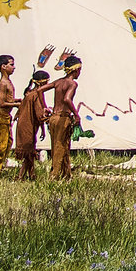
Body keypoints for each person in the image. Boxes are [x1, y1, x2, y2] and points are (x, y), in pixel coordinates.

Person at [44, 52, 84, 181]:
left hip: (53, 117)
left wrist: (44, 106)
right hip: (63, 117)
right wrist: (76, 114)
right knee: (60, 147)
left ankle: (66, 175)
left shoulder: (58, 82)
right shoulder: (72, 84)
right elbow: (67, 99)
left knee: (60, 145)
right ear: (76, 70)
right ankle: (54, 175)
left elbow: (39, 90)